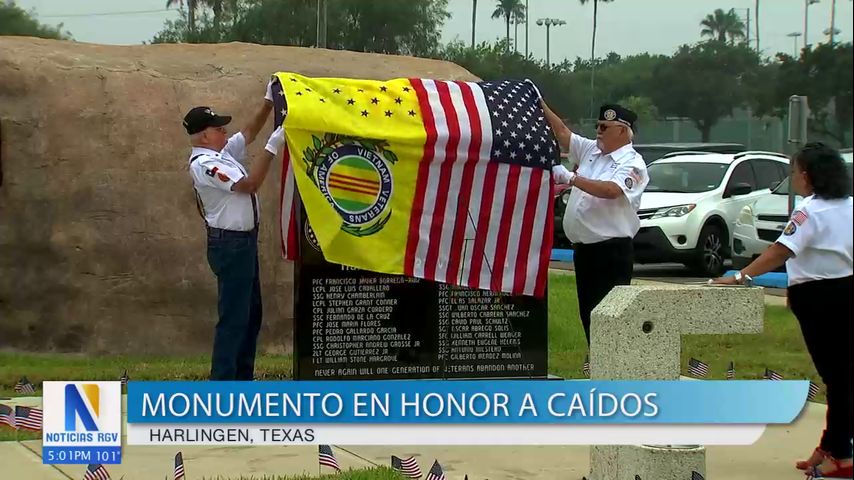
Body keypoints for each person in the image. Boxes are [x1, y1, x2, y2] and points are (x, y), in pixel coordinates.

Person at [712, 143, 852, 479]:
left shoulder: (809, 211)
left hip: (818, 298)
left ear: (806, 175)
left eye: (794, 172)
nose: (793, 179)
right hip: (848, 292)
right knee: (843, 375)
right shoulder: (850, 206)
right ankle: (831, 447)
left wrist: (741, 275)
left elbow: (780, 251)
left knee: (838, 377)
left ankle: (841, 455)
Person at [185, 81, 286, 381]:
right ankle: (224, 386)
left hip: (244, 242)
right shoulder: (205, 164)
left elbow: (249, 133)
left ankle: (242, 380)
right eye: (218, 129)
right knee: (234, 319)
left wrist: (268, 103)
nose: (224, 132)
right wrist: (273, 146)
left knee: (251, 316)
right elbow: (249, 185)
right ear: (204, 135)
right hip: (230, 245)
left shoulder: (221, 153)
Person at [541, 102, 649, 344]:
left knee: (609, 319)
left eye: (604, 127)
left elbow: (611, 190)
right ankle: (598, 367)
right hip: (585, 250)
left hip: (610, 251)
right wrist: (541, 102)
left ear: (622, 131)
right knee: (589, 315)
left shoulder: (632, 163)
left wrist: (572, 178)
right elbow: (561, 132)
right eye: (597, 126)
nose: (598, 131)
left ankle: (613, 373)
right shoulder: (592, 151)